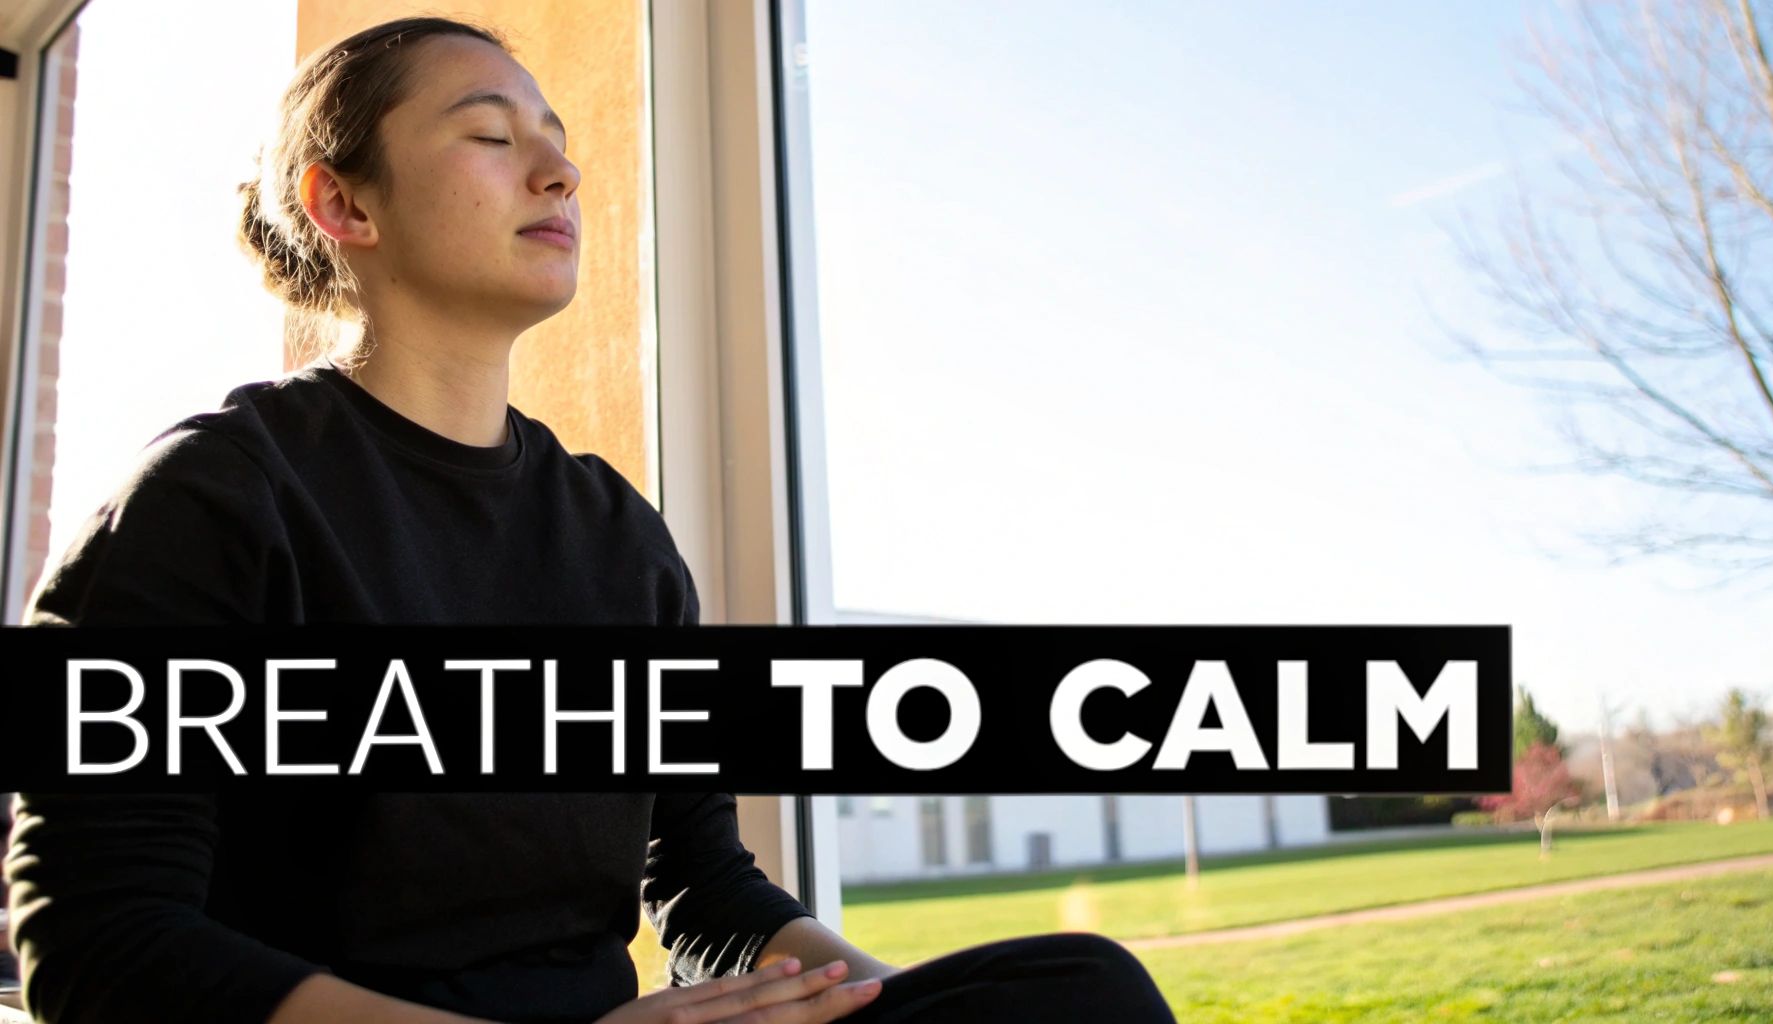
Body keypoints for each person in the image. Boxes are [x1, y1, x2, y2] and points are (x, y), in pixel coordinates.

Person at [2, 16, 1177, 1024]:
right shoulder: (211, 501)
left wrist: (883, 1009)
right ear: (341, 202)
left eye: (559, 143)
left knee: (1079, 991)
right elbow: (102, 943)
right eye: (491, 135)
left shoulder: (618, 535)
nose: (558, 172)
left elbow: (705, 889)